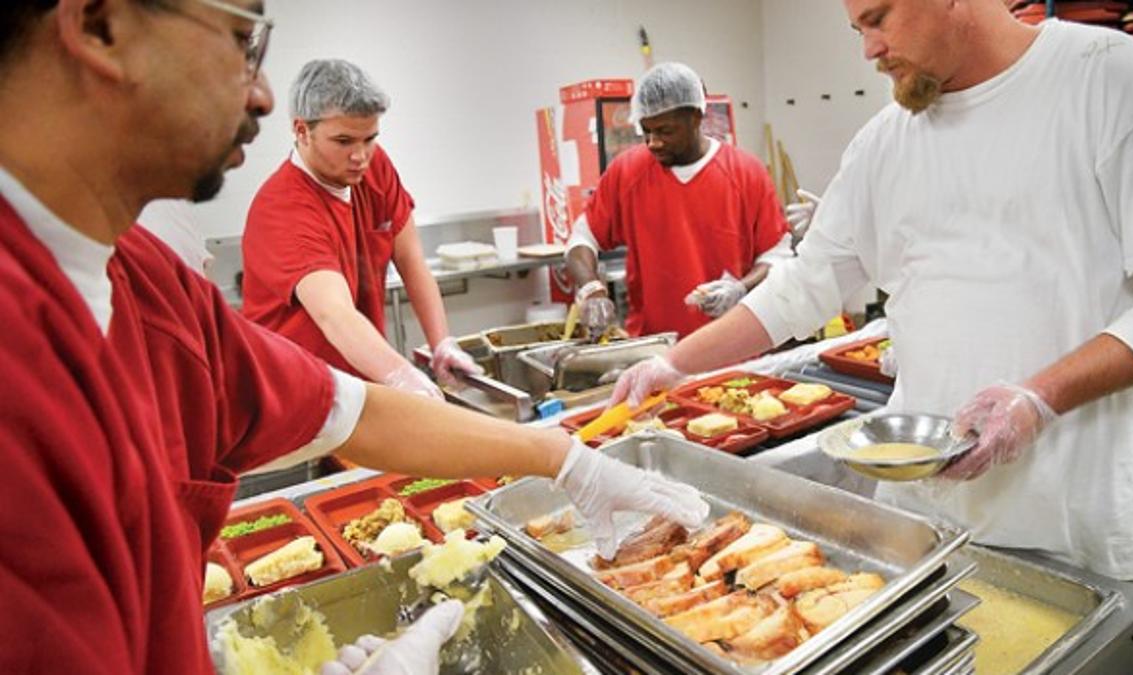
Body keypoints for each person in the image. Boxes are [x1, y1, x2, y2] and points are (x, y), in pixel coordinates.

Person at [0, 2, 707, 673]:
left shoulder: (154, 288)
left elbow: (349, 409)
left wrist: (566, 461)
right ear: (100, 25)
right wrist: (406, 373)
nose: (264, 96)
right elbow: (334, 322)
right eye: (243, 41)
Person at [613, 0, 1133, 583]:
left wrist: (1039, 399)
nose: (868, 49)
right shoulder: (885, 144)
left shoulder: (1116, 84)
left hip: (1071, 529)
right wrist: (673, 364)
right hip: (922, 522)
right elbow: (802, 285)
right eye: (857, 27)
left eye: (879, 18)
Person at [241, 58, 480, 398]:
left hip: (358, 384)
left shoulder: (373, 167)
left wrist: (442, 342)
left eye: (369, 138)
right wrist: (402, 376)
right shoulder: (283, 208)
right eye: (343, 141)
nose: (360, 156)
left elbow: (411, 261)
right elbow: (334, 314)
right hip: (295, 394)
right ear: (301, 130)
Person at [565, 62, 794, 340]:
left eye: (665, 131)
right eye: (646, 131)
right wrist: (592, 290)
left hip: (734, 347)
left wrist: (741, 288)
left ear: (697, 117)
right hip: (653, 349)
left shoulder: (746, 173)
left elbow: (777, 255)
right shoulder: (627, 172)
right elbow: (581, 238)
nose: (653, 143)